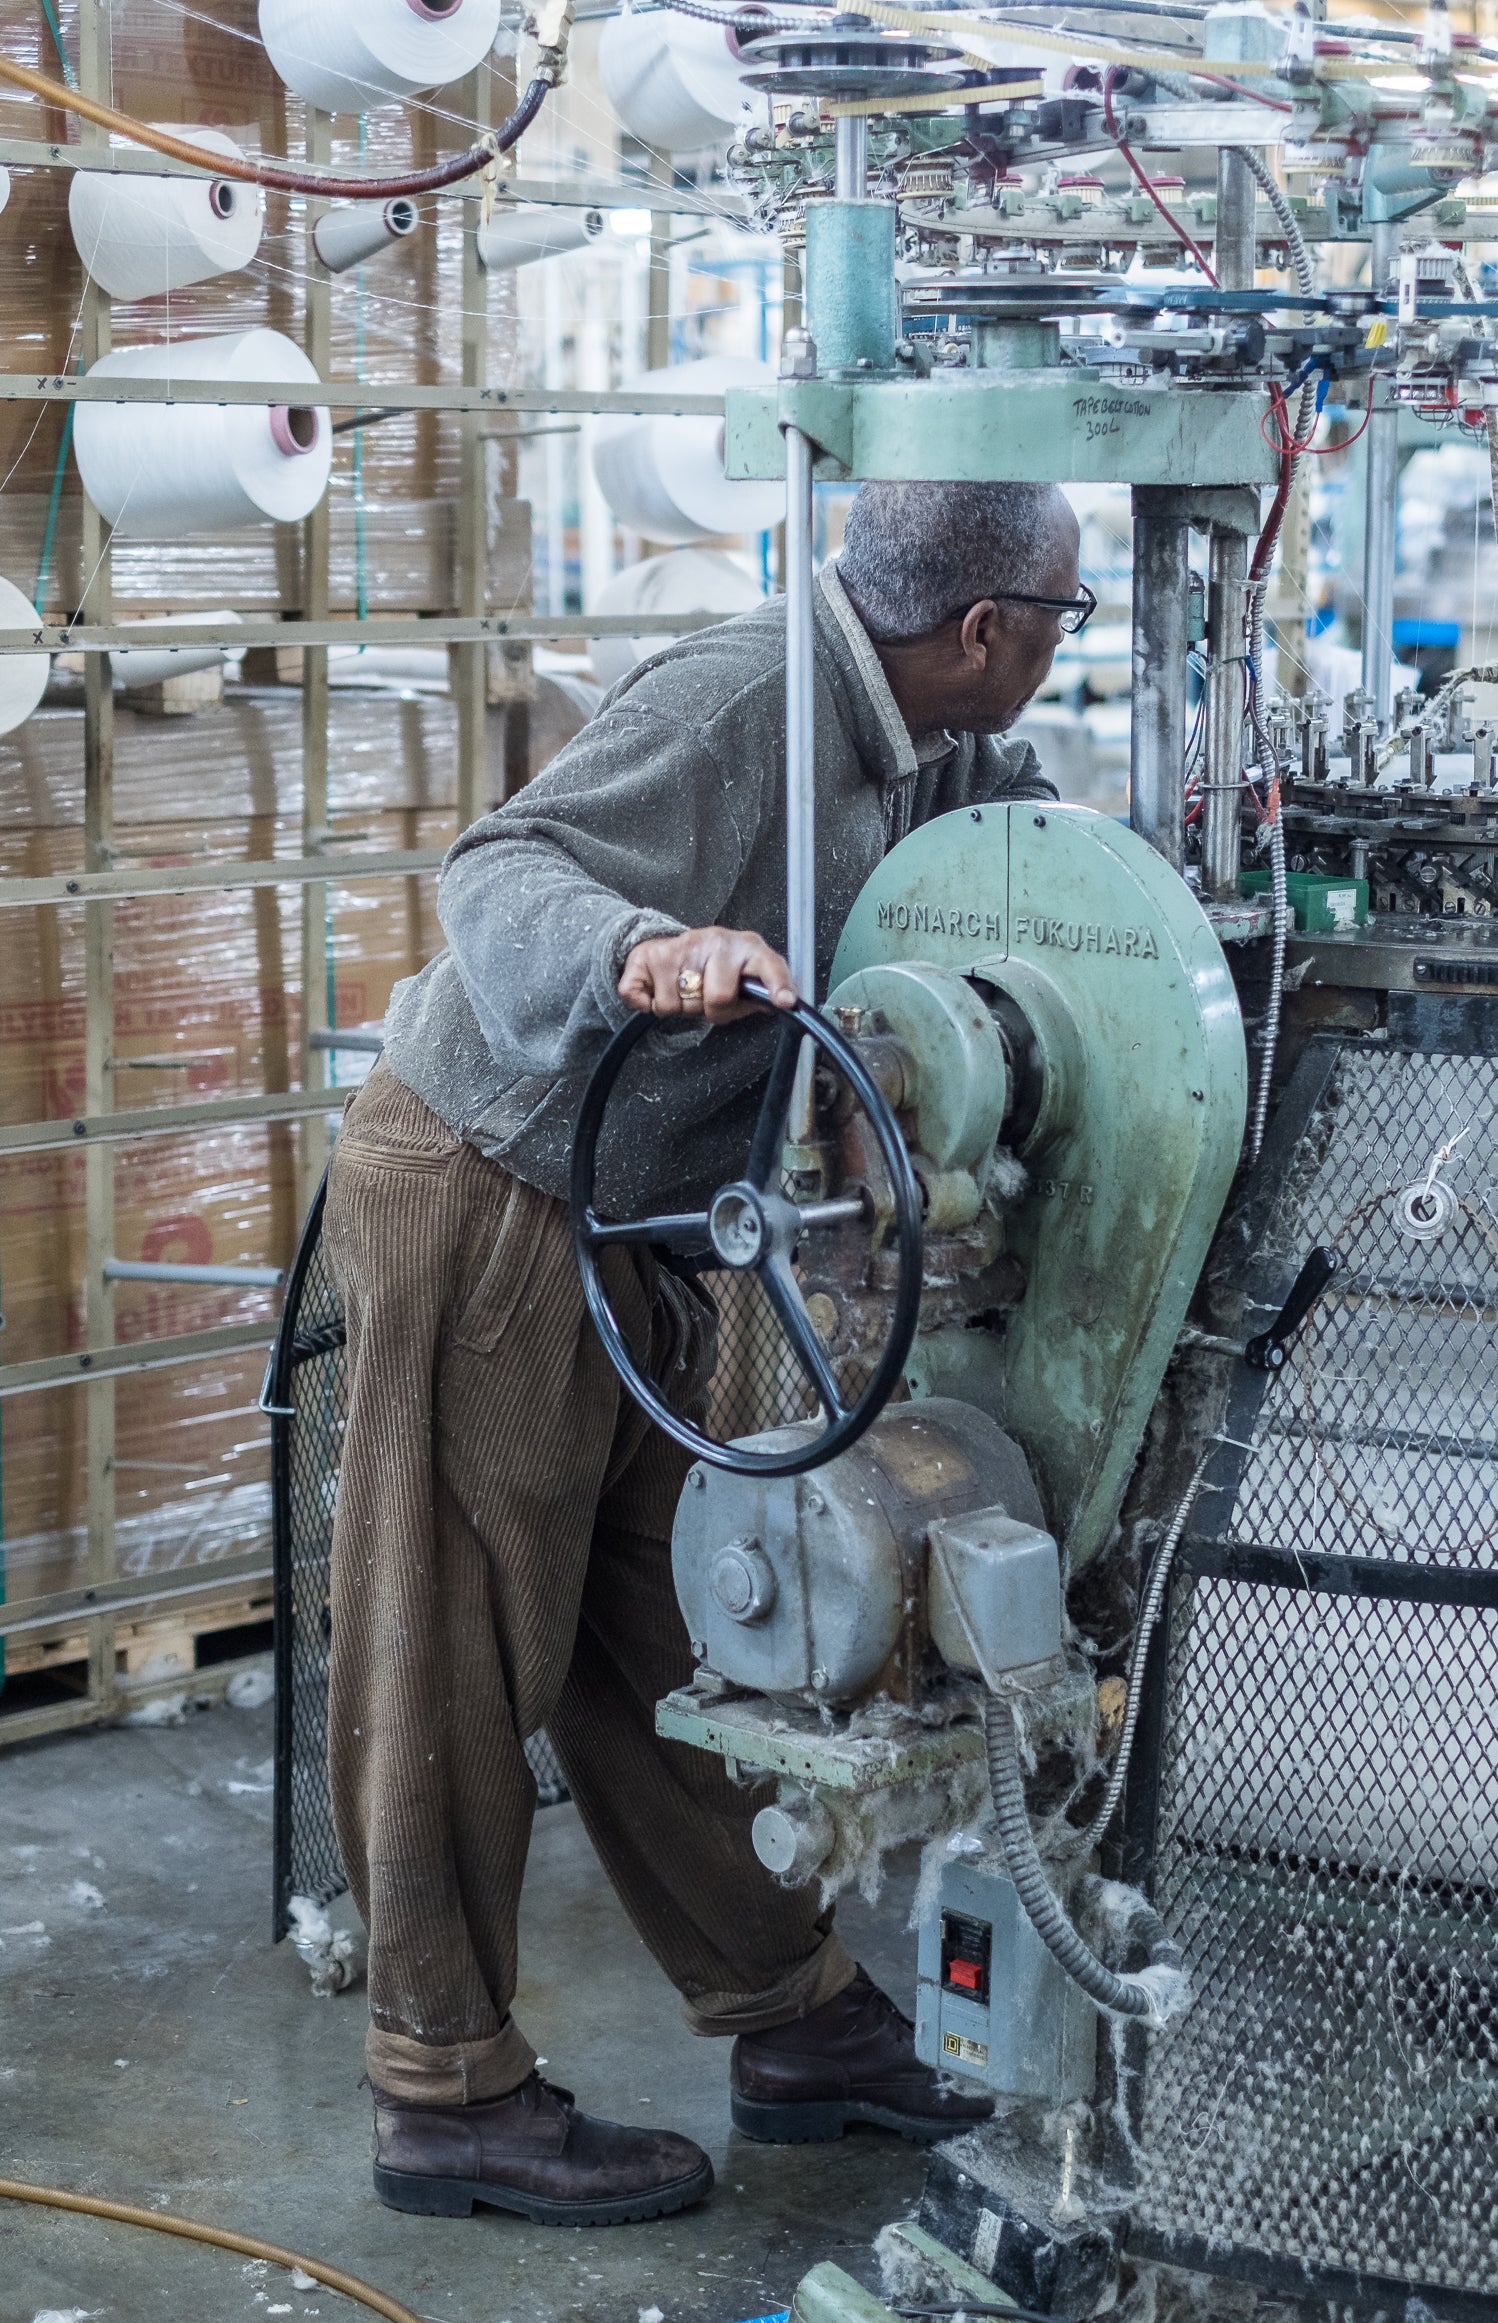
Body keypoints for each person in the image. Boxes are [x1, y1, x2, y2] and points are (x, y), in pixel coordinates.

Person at [325, 479, 1084, 2227]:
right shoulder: (748, 700)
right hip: (497, 1177)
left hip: (650, 1216)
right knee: (453, 1636)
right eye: (1065, 617)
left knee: (689, 1618)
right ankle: (443, 2087)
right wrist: (644, 948)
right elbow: (499, 871)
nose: (1062, 646)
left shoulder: (940, 746)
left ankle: (786, 2012)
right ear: (985, 629)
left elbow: (1029, 865)